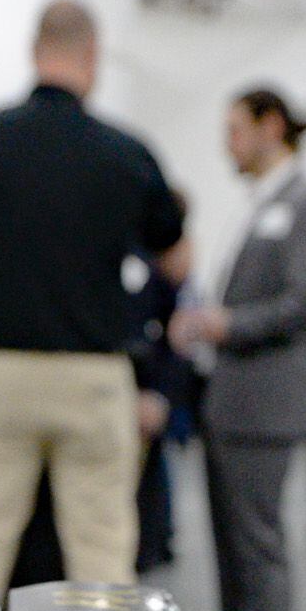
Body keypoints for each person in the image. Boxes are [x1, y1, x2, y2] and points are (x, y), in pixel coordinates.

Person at [0, 0, 186, 590]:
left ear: (34, 53)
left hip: (0, 370)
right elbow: (179, 262)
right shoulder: (128, 153)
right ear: (93, 57)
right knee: (102, 550)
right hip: (94, 375)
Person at [168, 87, 306, 611]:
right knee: (232, 546)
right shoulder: (264, 206)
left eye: (237, 129)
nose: (227, 143)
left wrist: (227, 323)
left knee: (259, 547)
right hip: (234, 404)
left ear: (274, 128)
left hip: (266, 407)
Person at [130, 216, 195, 573]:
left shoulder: (155, 270)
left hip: (147, 389)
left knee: (151, 471)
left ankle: (154, 544)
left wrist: (158, 394)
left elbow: (173, 337)